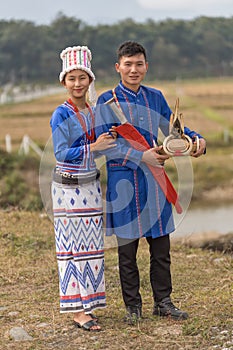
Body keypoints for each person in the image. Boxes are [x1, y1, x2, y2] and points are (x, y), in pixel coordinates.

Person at [95, 41, 206, 324]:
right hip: (124, 184)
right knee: (127, 252)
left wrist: (195, 139)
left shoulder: (155, 97)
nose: (134, 70)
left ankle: (163, 302)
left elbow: (173, 128)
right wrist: (139, 155)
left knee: (161, 249)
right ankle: (133, 307)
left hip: (154, 185)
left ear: (146, 66)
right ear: (117, 67)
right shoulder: (106, 101)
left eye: (139, 64)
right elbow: (105, 146)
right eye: (128, 64)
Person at [50, 45, 116, 331]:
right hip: (68, 189)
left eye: (82, 78)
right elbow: (61, 153)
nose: (77, 84)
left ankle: (89, 305)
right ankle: (78, 311)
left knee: (91, 249)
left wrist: (106, 141)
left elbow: (94, 150)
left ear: (90, 80)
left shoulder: (92, 111)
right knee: (74, 249)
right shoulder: (60, 114)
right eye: (72, 79)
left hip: (91, 186)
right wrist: (95, 146)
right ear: (64, 81)